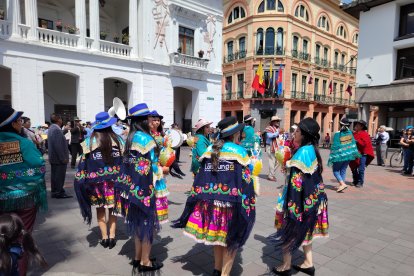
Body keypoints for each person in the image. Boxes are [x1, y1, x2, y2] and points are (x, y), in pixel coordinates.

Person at [172, 116, 256, 276]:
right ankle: (224, 273)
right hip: (231, 205)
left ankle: (217, 270)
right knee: (232, 239)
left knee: (218, 237)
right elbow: (245, 181)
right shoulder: (240, 152)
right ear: (235, 134)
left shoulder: (210, 149)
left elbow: (200, 177)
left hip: (211, 204)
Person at [271, 117, 328, 276]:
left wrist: (291, 207)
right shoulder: (311, 149)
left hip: (297, 200)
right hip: (312, 199)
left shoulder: (301, 153)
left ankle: (286, 265)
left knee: (288, 229)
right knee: (306, 231)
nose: (294, 133)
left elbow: (296, 184)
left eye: (297, 131)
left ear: (304, 135)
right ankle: (308, 262)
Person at [114, 103, 163, 273]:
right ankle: (145, 261)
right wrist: (164, 168)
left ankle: (137, 257)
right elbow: (151, 166)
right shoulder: (146, 139)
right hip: (145, 188)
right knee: (148, 224)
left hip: (131, 188)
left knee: (137, 225)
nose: (152, 120)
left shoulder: (130, 137)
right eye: (149, 117)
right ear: (143, 120)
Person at [0, 106, 48, 275]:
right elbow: (39, 167)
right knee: (21, 239)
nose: (21, 124)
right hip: (26, 199)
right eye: (19, 121)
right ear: (12, 124)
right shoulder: (24, 143)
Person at [74, 112, 124, 250]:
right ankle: (113, 236)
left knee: (100, 209)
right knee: (113, 209)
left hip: (96, 183)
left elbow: (83, 164)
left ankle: (104, 237)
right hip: (114, 182)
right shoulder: (119, 140)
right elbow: (124, 162)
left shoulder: (88, 142)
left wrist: (81, 180)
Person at [148, 110, 174, 224]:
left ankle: (154, 219)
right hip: (150, 167)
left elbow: (167, 151)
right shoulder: (147, 135)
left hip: (159, 167)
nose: (156, 122)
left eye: (158, 120)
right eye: (154, 120)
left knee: (158, 193)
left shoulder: (162, 136)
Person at [328, 117, 360, 193]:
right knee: (343, 170)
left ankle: (342, 184)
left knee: (335, 170)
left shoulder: (337, 134)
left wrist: (332, 156)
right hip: (348, 155)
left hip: (339, 156)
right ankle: (342, 184)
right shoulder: (350, 133)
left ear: (340, 124)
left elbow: (335, 146)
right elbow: (353, 144)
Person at [48, 113, 72, 199]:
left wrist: (64, 131)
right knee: (59, 176)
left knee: (55, 176)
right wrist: (63, 158)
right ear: (59, 120)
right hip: (58, 158)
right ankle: (58, 192)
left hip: (54, 157)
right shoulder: (56, 129)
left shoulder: (53, 128)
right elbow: (58, 145)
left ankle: (56, 191)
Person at [350, 120, 375, 188]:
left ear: (361, 126)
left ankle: (360, 182)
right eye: (356, 124)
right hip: (355, 153)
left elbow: (364, 144)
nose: (356, 126)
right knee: (354, 167)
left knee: (361, 169)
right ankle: (355, 180)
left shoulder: (365, 134)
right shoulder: (354, 134)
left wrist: (357, 141)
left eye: (358, 125)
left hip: (362, 154)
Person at [264, 115, 281, 181]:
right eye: (276, 121)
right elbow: (270, 136)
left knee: (278, 161)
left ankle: (271, 173)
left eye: (278, 121)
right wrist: (277, 133)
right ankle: (271, 176)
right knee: (272, 161)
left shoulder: (277, 129)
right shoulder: (269, 128)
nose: (278, 122)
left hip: (276, 146)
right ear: (273, 122)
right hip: (270, 146)